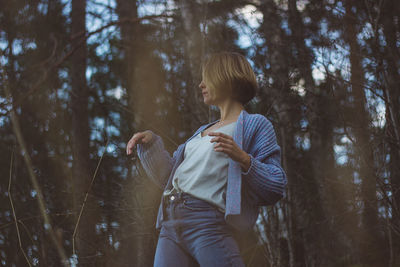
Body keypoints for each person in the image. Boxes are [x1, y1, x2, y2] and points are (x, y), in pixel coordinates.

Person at [126, 51, 287, 267]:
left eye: (207, 78)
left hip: (207, 223)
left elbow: (276, 185)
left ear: (227, 77)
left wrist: (243, 159)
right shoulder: (201, 132)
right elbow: (168, 176)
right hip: (170, 224)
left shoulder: (255, 124)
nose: (201, 84)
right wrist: (151, 144)